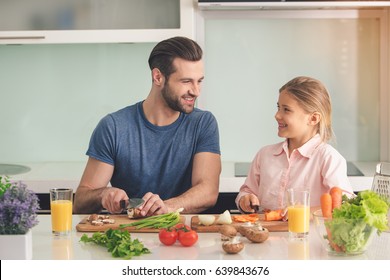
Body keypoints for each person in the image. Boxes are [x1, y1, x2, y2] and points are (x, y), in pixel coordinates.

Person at [73, 36, 221, 216]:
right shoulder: (113, 127)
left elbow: (208, 191)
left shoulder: (203, 124)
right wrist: (103, 194)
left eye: (199, 81)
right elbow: (81, 201)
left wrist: (167, 207)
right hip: (129, 236)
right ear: (158, 77)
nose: (196, 91)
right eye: (186, 81)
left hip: (184, 238)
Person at [236, 76, 353, 214]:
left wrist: (303, 213)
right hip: (264, 233)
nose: (277, 115)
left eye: (286, 110)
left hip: (309, 234)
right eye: (278, 107)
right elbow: (246, 191)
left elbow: (343, 204)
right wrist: (245, 200)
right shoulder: (265, 155)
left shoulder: (328, 158)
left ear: (313, 118)